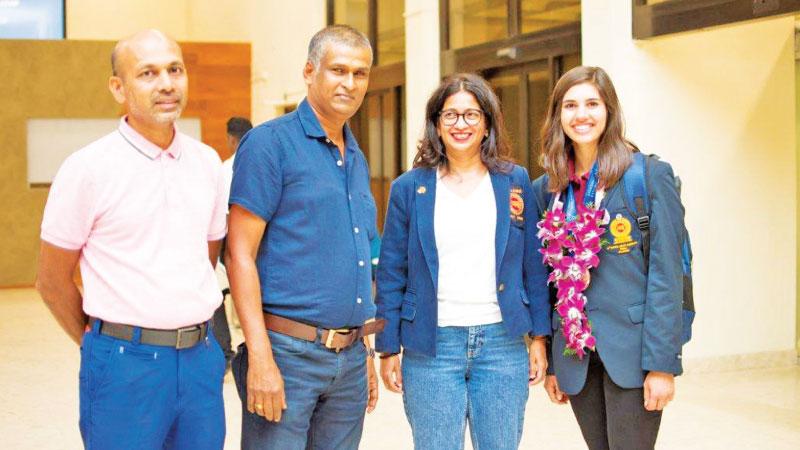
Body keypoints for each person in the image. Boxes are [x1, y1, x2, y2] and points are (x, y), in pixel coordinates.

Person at [36, 29, 228, 449]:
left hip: (200, 359)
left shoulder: (207, 163)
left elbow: (205, 257)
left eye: (174, 70)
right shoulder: (87, 168)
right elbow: (52, 281)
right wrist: (101, 342)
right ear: (118, 88)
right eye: (148, 73)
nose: (166, 84)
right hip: (124, 364)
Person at [225, 25, 383, 449]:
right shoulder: (268, 145)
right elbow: (238, 254)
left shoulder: (355, 156)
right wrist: (258, 355)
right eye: (338, 70)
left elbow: (358, 259)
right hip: (286, 355)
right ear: (310, 71)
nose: (350, 83)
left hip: (347, 359)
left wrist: (363, 350)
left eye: (360, 73)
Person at [375, 73, 551, 450]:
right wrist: (388, 347)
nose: (461, 124)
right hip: (431, 347)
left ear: (487, 122)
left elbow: (532, 266)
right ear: (436, 123)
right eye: (450, 115)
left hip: (502, 344)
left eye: (471, 115)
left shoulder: (514, 180)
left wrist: (539, 337)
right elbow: (392, 271)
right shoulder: (410, 187)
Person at [532, 66, 685, 450]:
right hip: (577, 354)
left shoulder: (647, 176)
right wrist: (554, 362)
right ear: (557, 115)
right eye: (570, 105)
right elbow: (547, 281)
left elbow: (667, 275)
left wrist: (662, 364)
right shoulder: (548, 189)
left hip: (633, 352)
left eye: (591, 104)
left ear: (609, 110)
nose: (581, 115)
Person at [212, 116, 253, 367]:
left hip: (231, 242)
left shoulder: (225, 168)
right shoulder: (264, 162)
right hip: (262, 242)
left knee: (216, 294)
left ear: (230, 139)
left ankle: (225, 351)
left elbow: (222, 215)